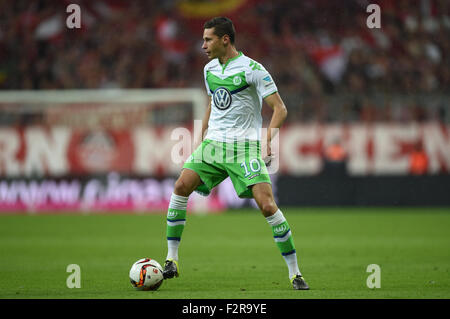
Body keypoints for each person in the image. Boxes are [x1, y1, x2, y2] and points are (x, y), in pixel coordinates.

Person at [162, 17, 309, 290]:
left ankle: (295, 272)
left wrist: (267, 141)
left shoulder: (253, 69)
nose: (203, 45)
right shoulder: (209, 70)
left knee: (266, 205)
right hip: (213, 145)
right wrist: (202, 135)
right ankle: (171, 259)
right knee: (181, 185)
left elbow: (280, 108)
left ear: (225, 40)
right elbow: (212, 103)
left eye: (208, 39)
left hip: (244, 148)